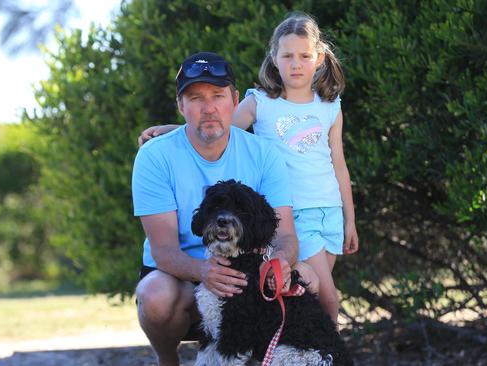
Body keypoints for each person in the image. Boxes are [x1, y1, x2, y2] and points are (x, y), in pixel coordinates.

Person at [138, 13, 359, 325]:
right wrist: (170, 130)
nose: (296, 64)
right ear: (274, 57)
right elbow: (215, 128)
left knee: (309, 286)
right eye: (287, 56)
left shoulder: (325, 109)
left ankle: (308, 352)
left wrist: (348, 220)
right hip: (281, 221)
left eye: (305, 56)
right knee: (327, 299)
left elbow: (338, 166)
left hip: (315, 220)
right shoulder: (260, 103)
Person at [132, 51, 318, 366]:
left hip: (250, 269)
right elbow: (163, 251)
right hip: (181, 275)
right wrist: (204, 271)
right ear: (181, 106)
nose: (208, 108)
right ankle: (167, 359)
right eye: (195, 98)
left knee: (308, 276)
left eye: (217, 96)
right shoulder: (155, 156)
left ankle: (272, 358)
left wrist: (277, 265)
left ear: (234, 99)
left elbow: (286, 236)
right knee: (154, 297)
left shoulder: (263, 154)